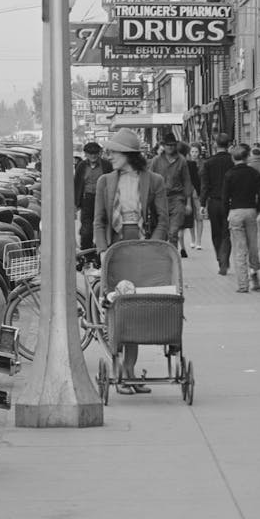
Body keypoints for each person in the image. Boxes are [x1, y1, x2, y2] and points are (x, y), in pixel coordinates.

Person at [93, 128, 168, 395]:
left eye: (114, 151)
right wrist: (103, 250)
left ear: (128, 154)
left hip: (143, 248)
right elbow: (99, 221)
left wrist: (154, 247)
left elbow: (163, 219)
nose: (109, 155)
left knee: (137, 310)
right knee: (117, 310)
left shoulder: (154, 180)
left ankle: (131, 371)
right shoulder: (105, 181)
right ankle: (118, 372)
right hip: (116, 250)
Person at [222, 143, 260, 293]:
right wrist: (259, 210)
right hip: (251, 211)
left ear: (233, 159)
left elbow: (225, 197)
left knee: (240, 249)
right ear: (247, 157)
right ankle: (254, 272)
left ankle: (243, 285)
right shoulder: (253, 173)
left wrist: (227, 212)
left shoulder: (229, 174)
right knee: (253, 245)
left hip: (235, 212)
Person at [150, 132, 194, 256]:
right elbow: (149, 180)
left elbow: (187, 181)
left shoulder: (181, 161)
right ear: (163, 145)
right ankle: (164, 258)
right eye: (167, 145)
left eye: (172, 145)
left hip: (177, 198)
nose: (170, 147)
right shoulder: (156, 161)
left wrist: (189, 203)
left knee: (173, 231)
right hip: (160, 199)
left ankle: (173, 257)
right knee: (162, 232)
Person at [200, 133, 235, 275]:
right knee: (227, 232)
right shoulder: (232, 162)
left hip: (214, 202)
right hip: (230, 202)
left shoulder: (208, 163)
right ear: (229, 145)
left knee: (216, 233)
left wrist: (202, 204)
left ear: (215, 144)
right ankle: (225, 258)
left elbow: (205, 186)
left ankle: (220, 259)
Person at [73, 141, 112, 264]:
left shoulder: (106, 165)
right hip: (87, 199)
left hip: (103, 199)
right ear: (86, 154)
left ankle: (102, 253)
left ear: (99, 153)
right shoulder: (81, 166)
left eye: (95, 153)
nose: (93, 156)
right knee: (86, 229)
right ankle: (87, 254)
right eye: (90, 154)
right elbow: (77, 184)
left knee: (103, 226)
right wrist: (75, 203)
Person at [179, 142, 203, 251]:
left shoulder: (202, 163)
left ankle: (198, 241)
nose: (194, 154)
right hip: (190, 193)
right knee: (191, 217)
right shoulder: (189, 164)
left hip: (195, 194)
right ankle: (193, 240)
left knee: (198, 216)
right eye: (192, 151)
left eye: (196, 151)